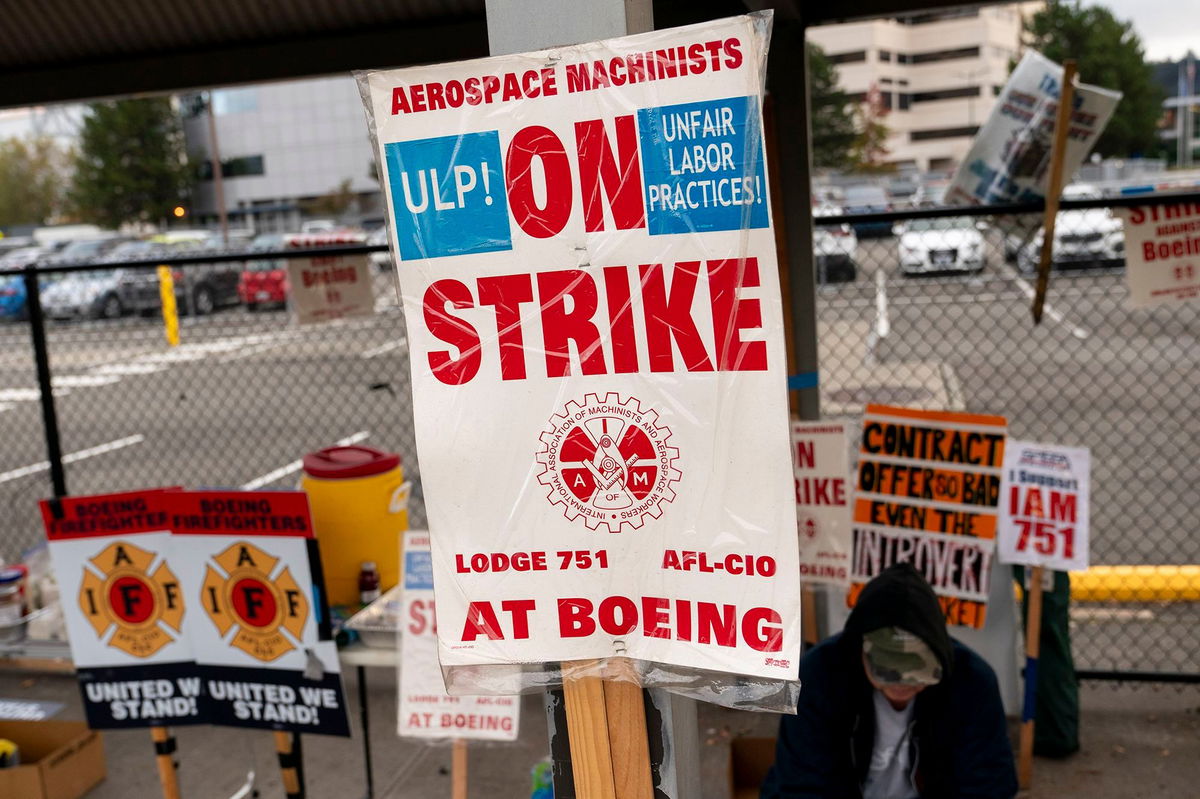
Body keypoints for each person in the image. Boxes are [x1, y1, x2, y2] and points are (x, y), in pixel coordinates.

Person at [761, 563, 1017, 799]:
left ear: (941, 657)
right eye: (888, 670)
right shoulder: (818, 677)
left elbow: (988, 786)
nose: (902, 684)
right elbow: (804, 787)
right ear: (859, 649)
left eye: (918, 672)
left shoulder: (973, 682)